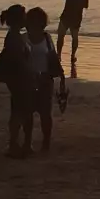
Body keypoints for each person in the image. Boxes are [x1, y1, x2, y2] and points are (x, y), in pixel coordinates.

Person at [0, 5, 32, 158]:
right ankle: (14, 144)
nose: (26, 18)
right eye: (24, 16)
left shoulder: (14, 35)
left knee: (18, 109)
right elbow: (17, 60)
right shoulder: (14, 38)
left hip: (16, 77)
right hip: (18, 78)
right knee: (19, 110)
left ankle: (16, 144)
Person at [23, 8, 62, 153]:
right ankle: (28, 142)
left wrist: (61, 75)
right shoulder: (24, 38)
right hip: (28, 79)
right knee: (28, 113)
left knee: (45, 113)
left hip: (45, 79)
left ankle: (46, 143)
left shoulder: (47, 38)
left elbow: (53, 57)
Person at [51, 0, 89, 66]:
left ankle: (59, 55)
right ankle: (72, 55)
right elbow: (85, 6)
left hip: (66, 17)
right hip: (76, 18)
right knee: (74, 38)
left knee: (61, 36)